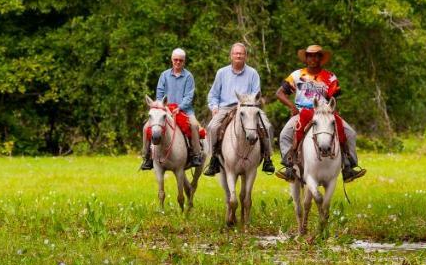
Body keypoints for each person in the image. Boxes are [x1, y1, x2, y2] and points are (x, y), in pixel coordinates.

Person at [275, 44, 365, 182]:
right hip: (303, 111)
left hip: (324, 112)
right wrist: (292, 106)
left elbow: (333, 98)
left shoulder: (330, 77)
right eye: (310, 55)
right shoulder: (297, 75)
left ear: (320, 58)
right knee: (284, 135)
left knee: (350, 133)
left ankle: (348, 166)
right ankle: (289, 166)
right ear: (306, 58)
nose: (313, 58)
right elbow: (279, 93)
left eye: (316, 55)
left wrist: (333, 112)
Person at [203, 42, 274, 176]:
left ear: (246, 56)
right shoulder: (221, 73)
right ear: (231, 55)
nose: (238, 56)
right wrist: (214, 107)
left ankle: (267, 158)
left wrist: (250, 105)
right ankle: (214, 160)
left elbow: (256, 94)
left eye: (241, 53)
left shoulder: (253, 73)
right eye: (236, 53)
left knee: (267, 126)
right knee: (212, 127)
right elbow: (213, 94)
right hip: (226, 107)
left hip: (248, 107)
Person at [140, 48, 204, 170]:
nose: (178, 62)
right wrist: (163, 108)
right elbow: (159, 94)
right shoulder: (164, 75)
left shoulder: (188, 76)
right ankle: (147, 157)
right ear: (172, 60)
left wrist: (180, 108)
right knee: (146, 127)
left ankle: (196, 154)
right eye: (175, 60)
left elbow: (189, 96)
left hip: (184, 110)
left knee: (194, 125)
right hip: (165, 110)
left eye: (181, 60)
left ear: (184, 61)